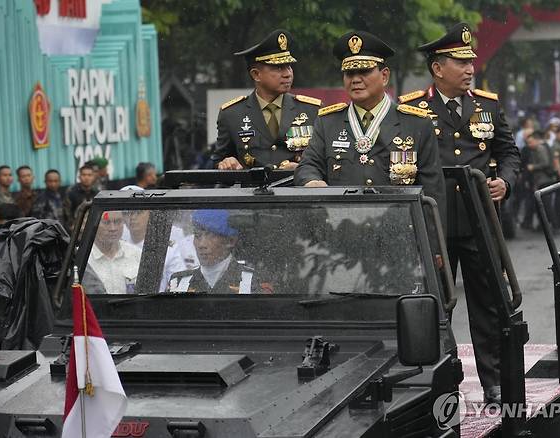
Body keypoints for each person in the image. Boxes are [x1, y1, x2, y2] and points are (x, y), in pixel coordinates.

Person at [399, 23, 521, 403]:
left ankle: (495, 383)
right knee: (435, 306)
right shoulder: (411, 108)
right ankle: (439, 384)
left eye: (471, 61)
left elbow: (509, 154)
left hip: (479, 220)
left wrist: (506, 181)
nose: (470, 69)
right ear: (438, 68)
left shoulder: (488, 104)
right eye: (460, 62)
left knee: (487, 303)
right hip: (432, 222)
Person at [294, 31, 446, 217]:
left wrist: (433, 244)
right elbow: (307, 166)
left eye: (364, 71)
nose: (356, 79)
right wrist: (311, 181)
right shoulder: (327, 122)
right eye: (349, 73)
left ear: (384, 76)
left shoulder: (417, 124)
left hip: (399, 233)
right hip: (341, 230)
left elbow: (433, 194)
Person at [214, 29, 321, 171]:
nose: (287, 74)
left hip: (297, 189)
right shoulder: (232, 114)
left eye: (289, 66)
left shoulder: (312, 110)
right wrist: (226, 163)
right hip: (250, 191)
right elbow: (217, 163)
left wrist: (303, 170)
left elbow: (326, 162)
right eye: (278, 68)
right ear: (256, 75)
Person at [169, 210, 264, 294]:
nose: (201, 245)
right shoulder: (178, 282)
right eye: (197, 236)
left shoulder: (253, 281)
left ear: (231, 241)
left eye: (211, 236)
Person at [122, 209, 186, 291]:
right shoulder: (118, 244)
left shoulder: (168, 250)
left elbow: (179, 287)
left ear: (151, 215)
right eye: (127, 213)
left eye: (139, 212)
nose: (132, 217)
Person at [86, 210, 142, 294]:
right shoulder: (83, 258)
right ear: (93, 224)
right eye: (106, 222)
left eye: (118, 221)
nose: (113, 228)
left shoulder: (137, 254)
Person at [64, 164, 99, 229]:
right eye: (84, 175)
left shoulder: (97, 192)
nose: (86, 178)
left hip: (94, 228)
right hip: (76, 229)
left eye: (89, 175)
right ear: (79, 177)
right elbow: (67, 214)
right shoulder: (71, 192)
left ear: (93, 177)